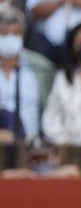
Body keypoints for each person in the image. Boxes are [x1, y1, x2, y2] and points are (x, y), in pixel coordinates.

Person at [0, 6, 39, 144]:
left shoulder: (40, 67)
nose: (10, 38)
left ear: (23, 35)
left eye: (15, 34)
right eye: (4, 34)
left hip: (31, 146)